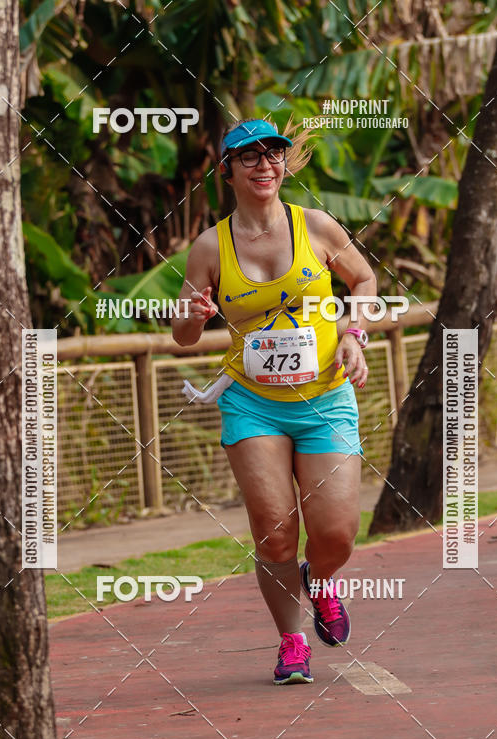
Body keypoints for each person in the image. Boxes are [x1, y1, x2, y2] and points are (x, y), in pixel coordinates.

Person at [172, 118, 376, 685]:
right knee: (275, 530)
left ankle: (322, 580)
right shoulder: (210, 246)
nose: (264, 166)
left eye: (273, 156)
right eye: (249, 158)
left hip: (326, 398)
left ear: (284, 166)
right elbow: (184, 335)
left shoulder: (316, 226)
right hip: (252, 402)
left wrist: (354, 335)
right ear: (227, 171)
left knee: (335, 533)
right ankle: (291, 641)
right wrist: (190, 317)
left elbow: (363, 282)